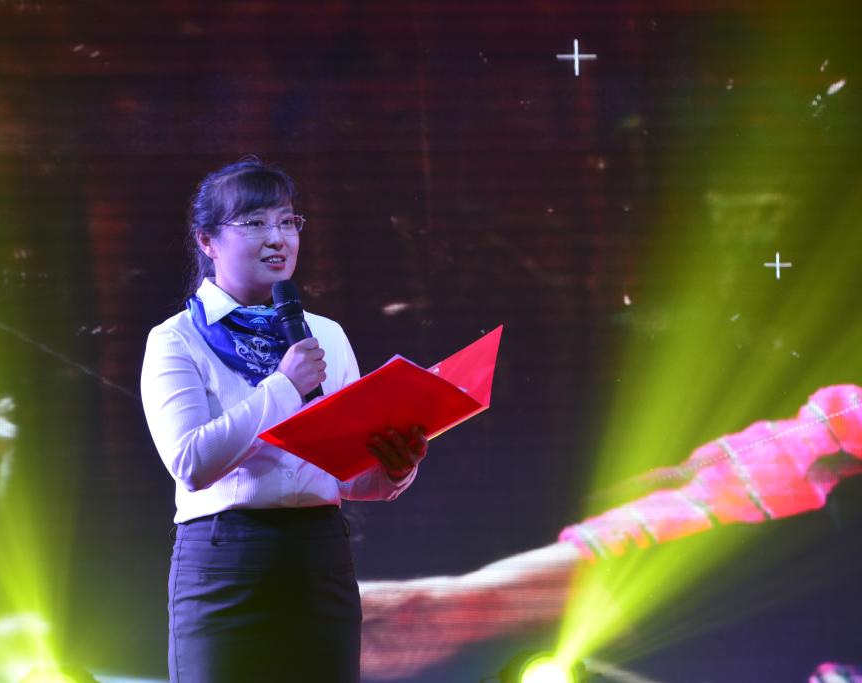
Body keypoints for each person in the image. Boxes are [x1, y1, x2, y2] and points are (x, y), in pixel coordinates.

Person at [140, 157, 427, 683]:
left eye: (288, 221)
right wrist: (283, 386)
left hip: (320, 554)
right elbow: (191, 462)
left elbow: (347, 476)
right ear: (207, 241)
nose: (277, 238)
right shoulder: (176, 339)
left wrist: (394, 467)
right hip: (226, 558)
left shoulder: (325, 334)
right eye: (254, 223)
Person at [359, 384, 862, 679]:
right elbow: (799, 437)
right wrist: (674, 477)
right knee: (438, 611)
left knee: (439, 616)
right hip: (678, 537)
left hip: (750, 592)